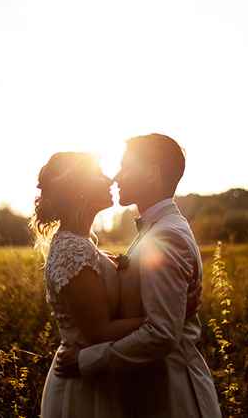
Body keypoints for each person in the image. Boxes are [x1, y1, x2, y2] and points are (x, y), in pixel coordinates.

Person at [55, 134, 222, 417]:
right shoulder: (157, 228)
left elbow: (162, 333)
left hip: (174, 398)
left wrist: (86, 360)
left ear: (152, 174)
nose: (116, 176)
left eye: (126, 167)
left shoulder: (166, 236)